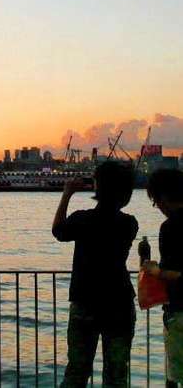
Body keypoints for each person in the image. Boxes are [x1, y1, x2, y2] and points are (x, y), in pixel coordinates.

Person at [52, 162, 138, 387]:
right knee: (116, 373)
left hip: (85, 300)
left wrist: (67, 194)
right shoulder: (129, 223)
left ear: (98, 187)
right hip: (119, 302)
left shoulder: (82, 219)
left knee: (77, 372)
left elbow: (58, 230)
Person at [143, 168, 183, 387]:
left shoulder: (170, 227)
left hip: (179, 311)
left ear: (163, 198)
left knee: (176, 375)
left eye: (155, 202)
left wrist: (155, 271)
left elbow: (173, 274)